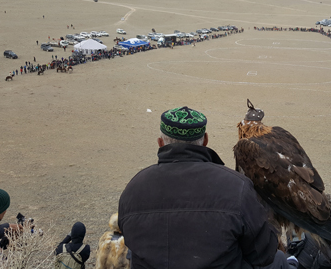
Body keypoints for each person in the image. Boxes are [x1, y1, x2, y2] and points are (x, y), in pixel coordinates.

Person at [118, 106, 279, 269]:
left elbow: (130, 239)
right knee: (279, 259)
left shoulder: (133, 188)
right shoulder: (237, 187)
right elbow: (263, 254)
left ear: (160, 143)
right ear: (205, 141)